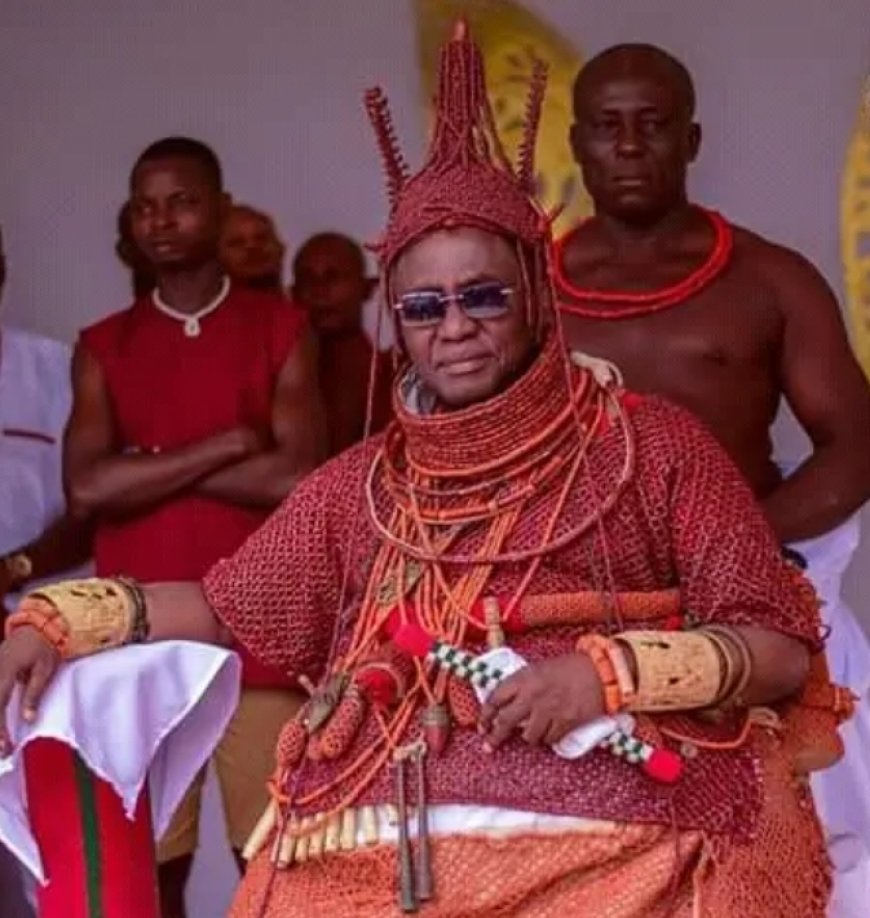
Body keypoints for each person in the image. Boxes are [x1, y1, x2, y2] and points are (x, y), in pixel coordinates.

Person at [0, 22, 851, 917]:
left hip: (633, 826)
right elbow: (222, 605)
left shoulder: (656, 447)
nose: (455, 325)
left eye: (484, 296)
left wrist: (606, 675)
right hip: (390, 828)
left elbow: (777, 649)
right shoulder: (363, 485)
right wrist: (56, 620)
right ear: (397, 320)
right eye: (425, 305)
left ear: (535, 302)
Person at [555, 43, 870, 909]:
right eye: (609, 128)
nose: (629, 146)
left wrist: (734, 546)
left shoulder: (772, 278)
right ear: (578, 142)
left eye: (652, 127)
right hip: (580, 619)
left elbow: (855, 444)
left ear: (691, 140)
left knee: (815, 860)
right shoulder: (526, 297)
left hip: (761, 609)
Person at [63, 138, 325, 918]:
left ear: (219, 209)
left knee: (275, 864)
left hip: (262, 638)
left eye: (180, 201)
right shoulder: (103, 345)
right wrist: (226, 442)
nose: (161, 219)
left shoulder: (282, 326)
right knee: (151, 873)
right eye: (145, 205)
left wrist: (146, 465)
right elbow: (86, 487)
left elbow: (297, 477)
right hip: (138, 645)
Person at [0, 227, 92, 917]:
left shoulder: (52, 369)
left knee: (45, 846)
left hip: (38, 638)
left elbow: (91, 501)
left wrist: (14, 570)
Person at [292, 232, 392, 455]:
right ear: (293, 293)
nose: (320, 291)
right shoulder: (281, 377)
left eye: (333, 277)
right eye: (308, 279)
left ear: (367, 288)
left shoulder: (393, 374)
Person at [219, 204, 286, 293]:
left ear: (281, 249)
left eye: (262, 238)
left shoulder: (299, 305)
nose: (252, 247)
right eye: (237, 243)